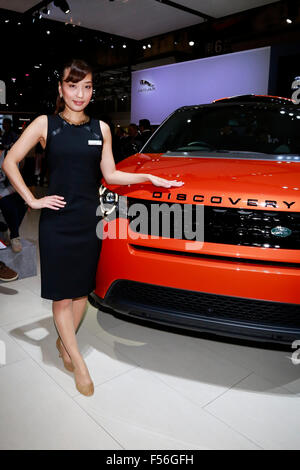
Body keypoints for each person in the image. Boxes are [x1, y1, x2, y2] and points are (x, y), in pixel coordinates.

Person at [2, 58, 184, 397]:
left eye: (86, 86)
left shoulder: (100, 128)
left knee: (82, 292)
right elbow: (10, 161)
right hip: (56, 223)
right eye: (73, 85)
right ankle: (79, 364)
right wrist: (32, 199)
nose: (80, 93)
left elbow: (111, 175)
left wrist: (147, 176)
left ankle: (63, 341)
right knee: (61, 297)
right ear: (61, 88)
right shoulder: (46, 124)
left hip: (89, 221)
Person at [0, 146, 28, 252]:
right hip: (2, 194)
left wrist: (2, 194)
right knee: (6, 203)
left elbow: (15, 184)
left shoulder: (9, 156)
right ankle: (14, 236)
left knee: (22, 203)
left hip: (9, 189)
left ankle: (11, 231)